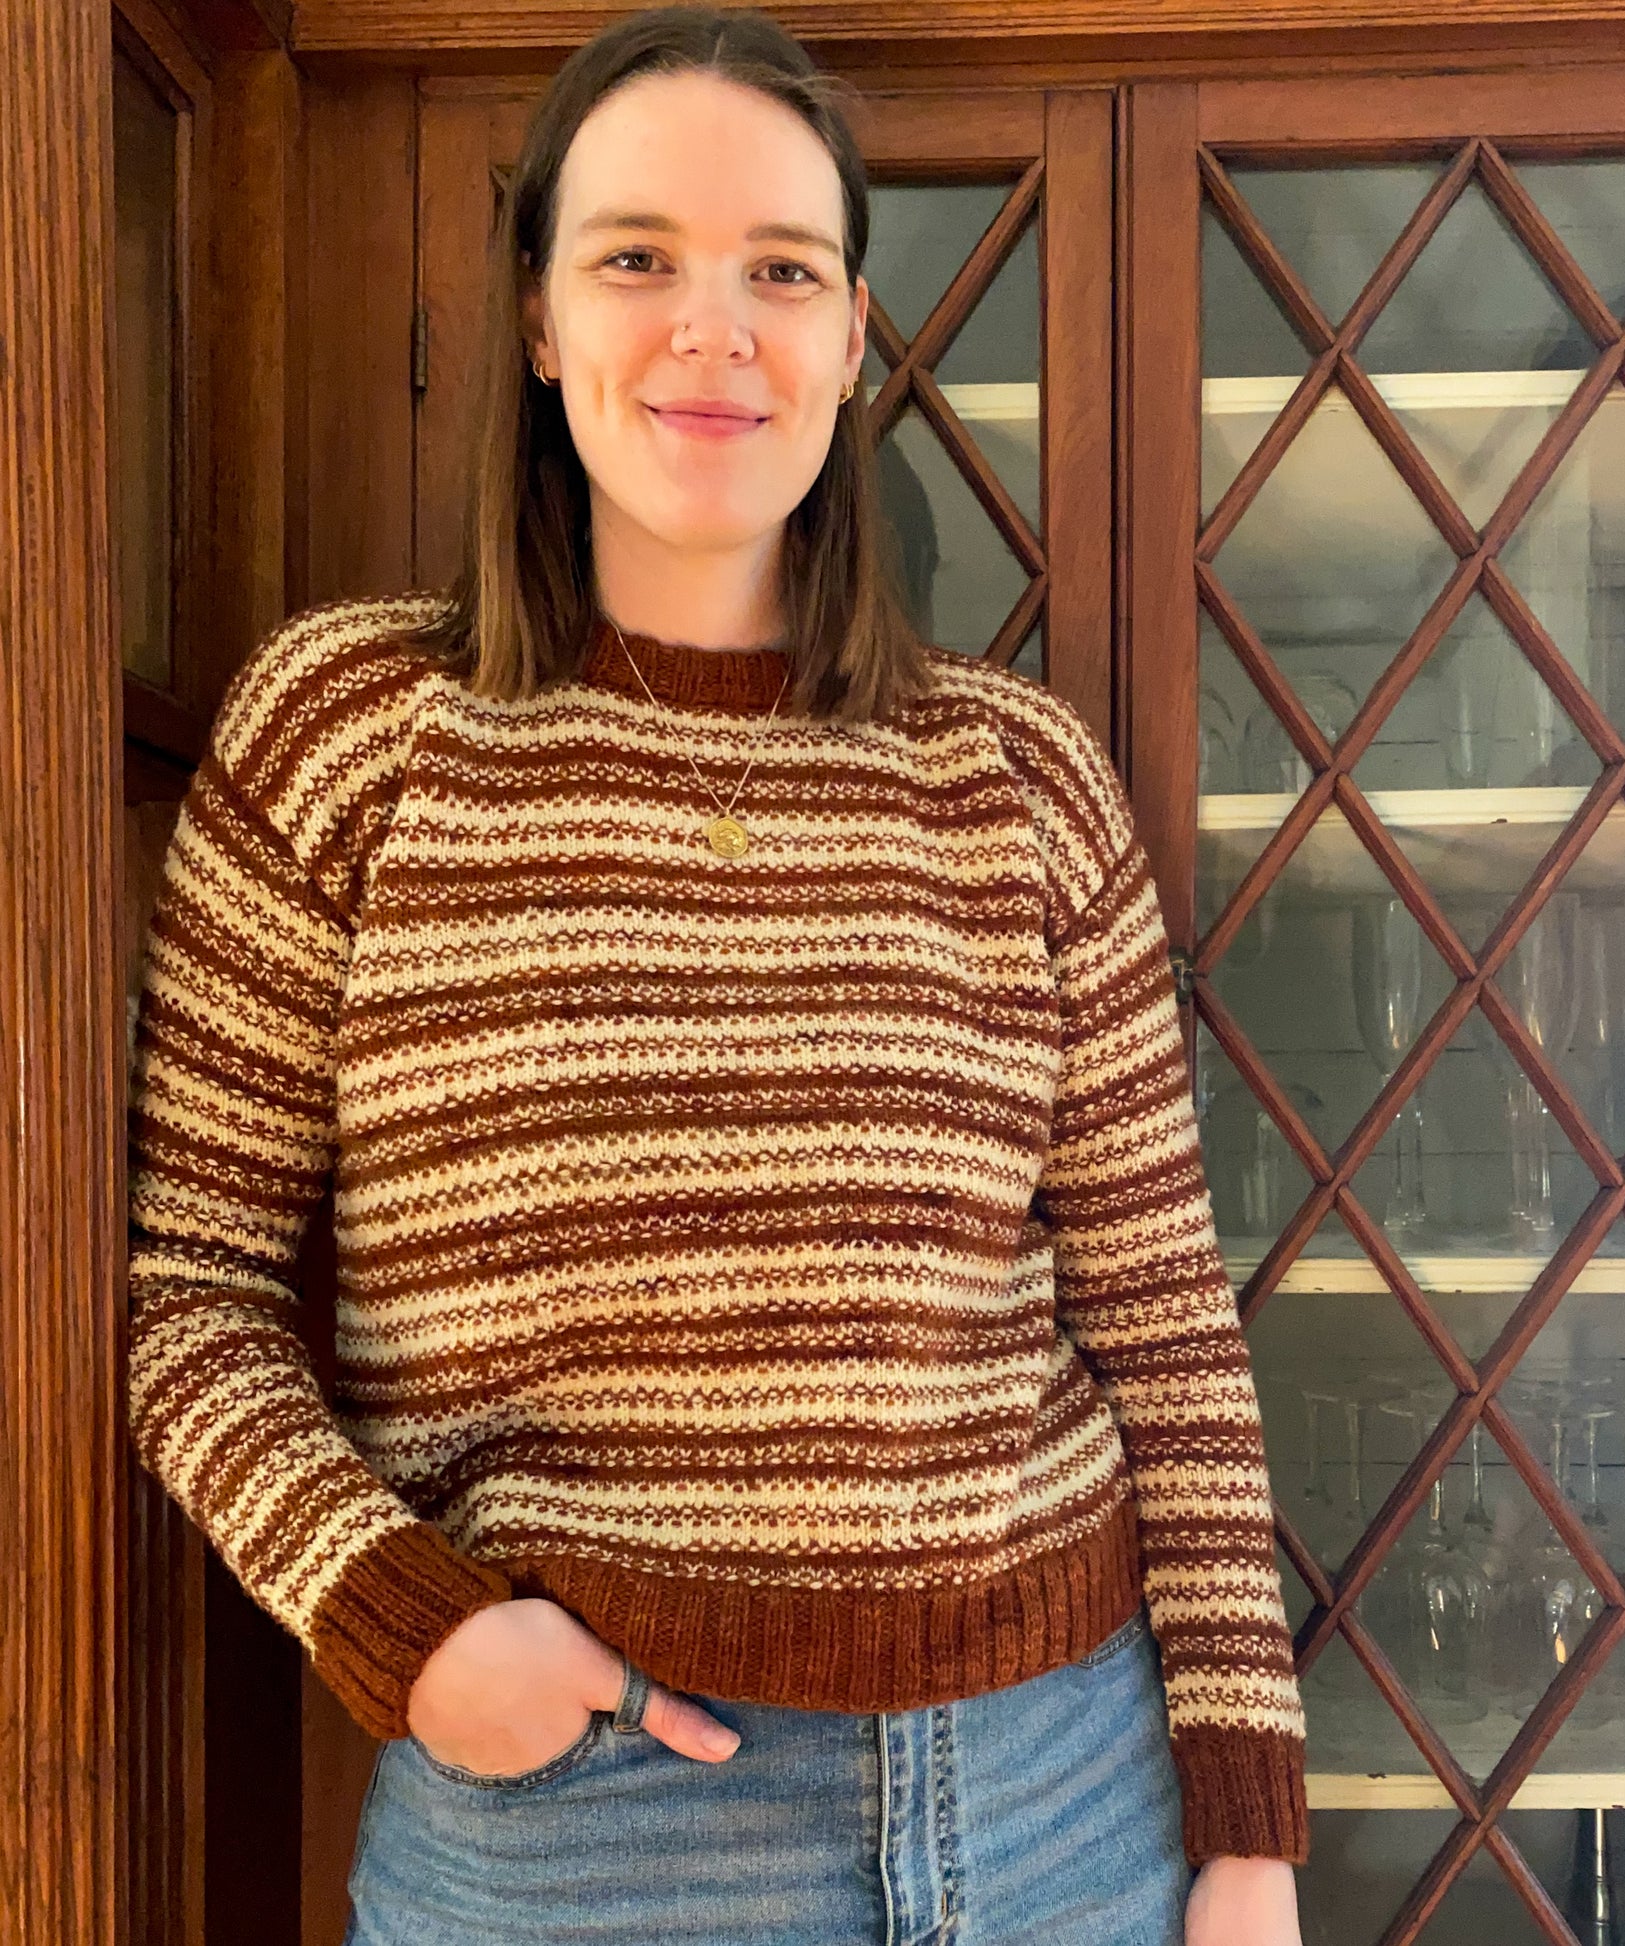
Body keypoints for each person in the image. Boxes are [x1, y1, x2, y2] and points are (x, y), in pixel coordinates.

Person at [123, 7, 1308, 1941]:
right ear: (536, 318)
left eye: (779, 270)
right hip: (587, 1830)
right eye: (636, 258)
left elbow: (1165, 1330)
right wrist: (402, 1622)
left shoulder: (1015, 777)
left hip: (1062, 1802)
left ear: (850, 337)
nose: (712, 326)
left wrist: (1244, 1828)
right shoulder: (354, 736)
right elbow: (193, 1302)